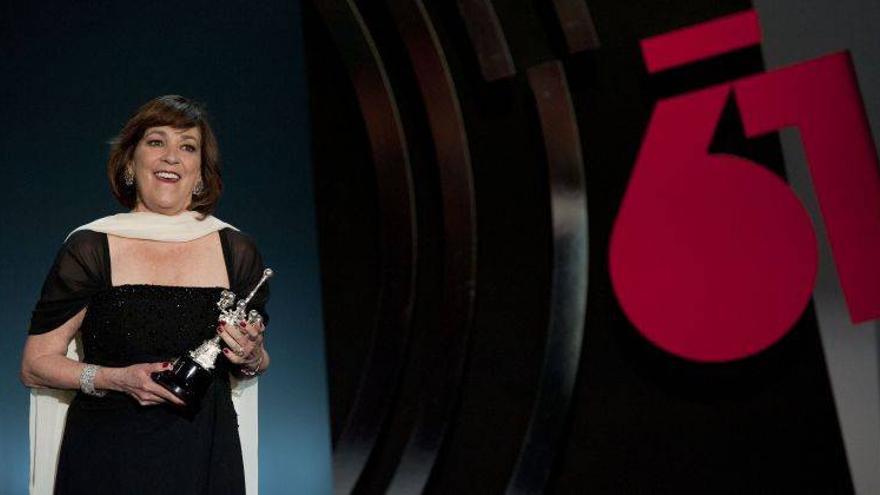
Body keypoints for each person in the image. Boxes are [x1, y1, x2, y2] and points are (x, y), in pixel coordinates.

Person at [20, 95, 271, 494]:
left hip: (204, 456)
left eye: (187, 147)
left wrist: (252, 354)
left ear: (200, 173)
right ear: (129, 164)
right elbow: (35, 365)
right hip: (107, 456)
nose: (172, 156)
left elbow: (253, 362)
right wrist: (117, 379)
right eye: (157, 142)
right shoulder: (89, 247)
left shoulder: (236, 250)